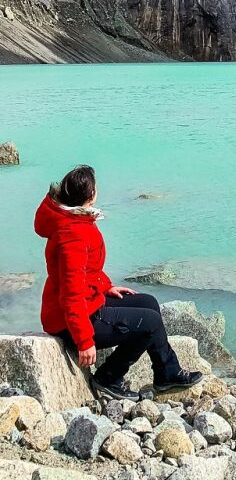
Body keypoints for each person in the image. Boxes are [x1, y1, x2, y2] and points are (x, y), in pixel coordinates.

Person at [34, 164, 203, 401]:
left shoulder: (73, 219)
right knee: (150, 322)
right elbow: (71, 294)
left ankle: (166, 372)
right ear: (91, 196)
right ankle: (109, 377)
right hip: (69, 320)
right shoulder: (73, 233)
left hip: (84, 304)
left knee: (149, 303)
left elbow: (86, 272)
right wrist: (84, 341)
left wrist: (106, 288)